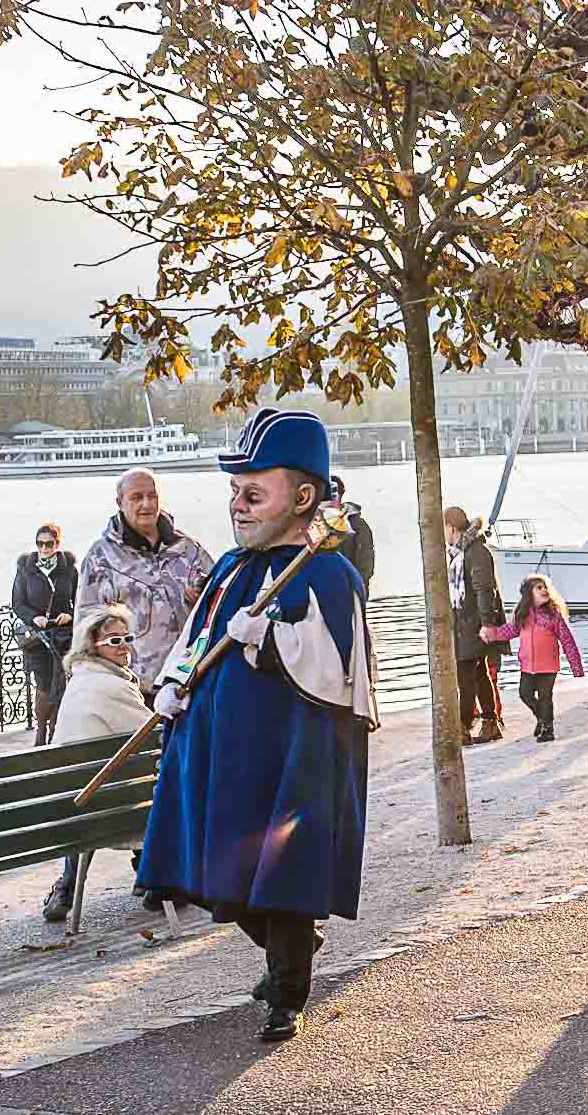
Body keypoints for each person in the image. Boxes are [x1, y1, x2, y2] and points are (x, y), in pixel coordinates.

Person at [137, 407, 378, 1044]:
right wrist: (171, 685)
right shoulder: (229, 570)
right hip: (220, 750)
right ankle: (288, 949)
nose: (239, 507)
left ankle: (287, 990)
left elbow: (339, 672)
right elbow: (197, 639)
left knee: (285, 873)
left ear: (302, 498)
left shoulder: (330, 574)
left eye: (253, 493)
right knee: (220, 871)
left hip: (293, 754)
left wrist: (271, 640)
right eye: (235, 495)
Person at [42, 606, 155, 922]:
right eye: (114, 640)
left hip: (76, 809)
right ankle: (153, 877)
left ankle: (67, 884)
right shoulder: (112, 687)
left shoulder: (81, 682)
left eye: (127, 638)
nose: (124, 646)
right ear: (92, 648)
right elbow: (157, 736)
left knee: (106, 783)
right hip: (116, 808)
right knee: (158, 785)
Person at [78, 467, 216, 692]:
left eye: (152, 496)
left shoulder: (188, 549)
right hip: (138, 689)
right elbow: (86, 629)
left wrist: (201, 597)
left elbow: (219, 601)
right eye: (136, 497)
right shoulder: (100, 558)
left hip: (192, 681)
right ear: (119, 502)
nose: (146, 504)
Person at [489, 575, 584, 742]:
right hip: (527, 666)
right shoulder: (523, 615)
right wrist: (492, 634)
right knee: (525, 694)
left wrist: (576, 666)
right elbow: (510, 630)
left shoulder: (553, 615)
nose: (543, 590)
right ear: (528, 594)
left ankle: (548, 729)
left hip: (548, 666)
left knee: (545, 696)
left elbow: (567, 640)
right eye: (538, 588)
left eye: (544, 587)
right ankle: (542, 718)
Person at [11, 522, 78, 745]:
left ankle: (54, 732)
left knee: (61, 684)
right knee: (42, 685)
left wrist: (69, 614)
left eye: (49, 544)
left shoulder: (68, 569)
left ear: (58, 544)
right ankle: (40, 734)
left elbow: (80, 601)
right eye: (40, 544)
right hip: (38, 638)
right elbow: (18, 603)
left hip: (63, 636)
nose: (44, 548)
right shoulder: (26, 568)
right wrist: (33, 618)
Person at [444, 506, 505, 745]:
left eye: (444, 529)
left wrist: (488, 624)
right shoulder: (461, 552)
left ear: (451, 527)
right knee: (477, 674)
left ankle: (463, 727)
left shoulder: (475, 552)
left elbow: (483, 590)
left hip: (474, 623)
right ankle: (489, 723)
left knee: (465, 675)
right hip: (466, 622)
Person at [329, 475, 376, 591]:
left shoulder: (357, 525)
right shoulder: (313, 525)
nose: (329, 500)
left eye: (333, 495)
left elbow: (366, 562)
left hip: (351, 589)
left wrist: (358, 587)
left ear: (340, 496)